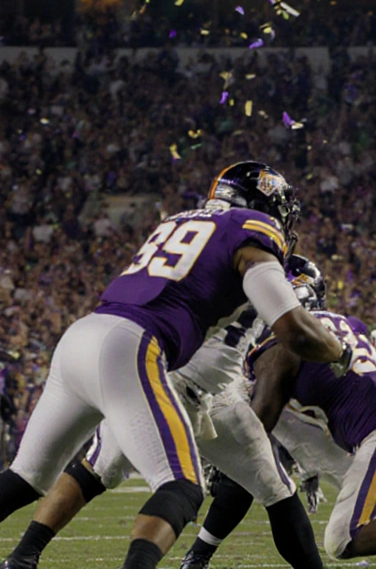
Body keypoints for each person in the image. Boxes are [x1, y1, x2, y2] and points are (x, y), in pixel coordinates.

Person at [0, 161, 350, 569]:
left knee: (29, 477)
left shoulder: (180, 221)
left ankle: (21, 559)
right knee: (182, 485)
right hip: (144, 359)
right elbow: (296, 330)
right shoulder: (255, 234)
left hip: (86, 337)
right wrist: (339, 352)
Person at [191, 256, 376, 567]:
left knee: (343, 537)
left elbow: (257, 430)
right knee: (359, 495)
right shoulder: (345, 324)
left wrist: (223, 462)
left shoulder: (284, 344)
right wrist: (309, 463)